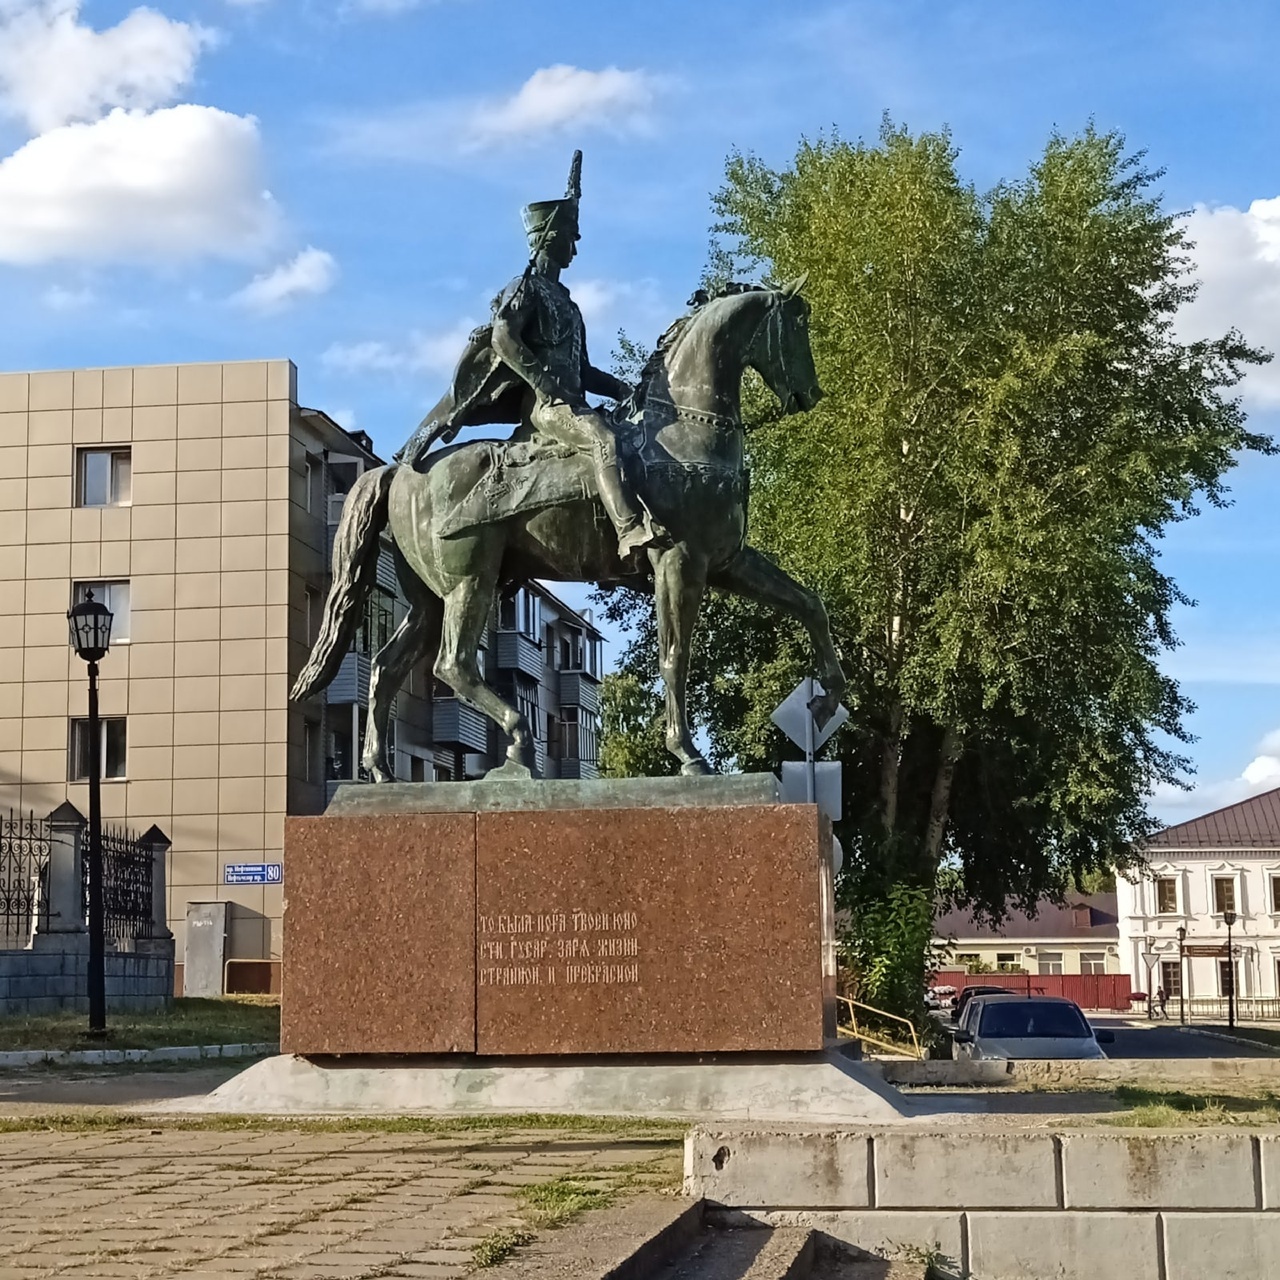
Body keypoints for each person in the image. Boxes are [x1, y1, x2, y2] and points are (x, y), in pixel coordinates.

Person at [396, 151, 666, 561]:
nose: (575, 246)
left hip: (573, 401)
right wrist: (543, 382)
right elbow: (504, 338)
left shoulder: (568, 302)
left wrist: (624, 388)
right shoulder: (524, 289)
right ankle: (628, 529)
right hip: (547, 408)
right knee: (603, 439)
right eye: (570, 237)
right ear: (551, 238)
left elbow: (584, 370)